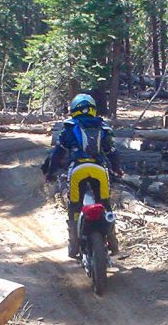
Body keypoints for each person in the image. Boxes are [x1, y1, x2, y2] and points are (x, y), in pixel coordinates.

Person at [41, 93, 123, 258]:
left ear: (73, 110)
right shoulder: (103, 127)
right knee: (105, 204)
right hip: (99, 170)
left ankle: (74, 245)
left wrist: (50, 172)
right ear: (93, 109)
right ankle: (113, 243)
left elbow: (57, 153)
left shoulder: (69, 128)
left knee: (74, 206)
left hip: (78, 170)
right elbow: (112, 153)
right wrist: (117, 169)